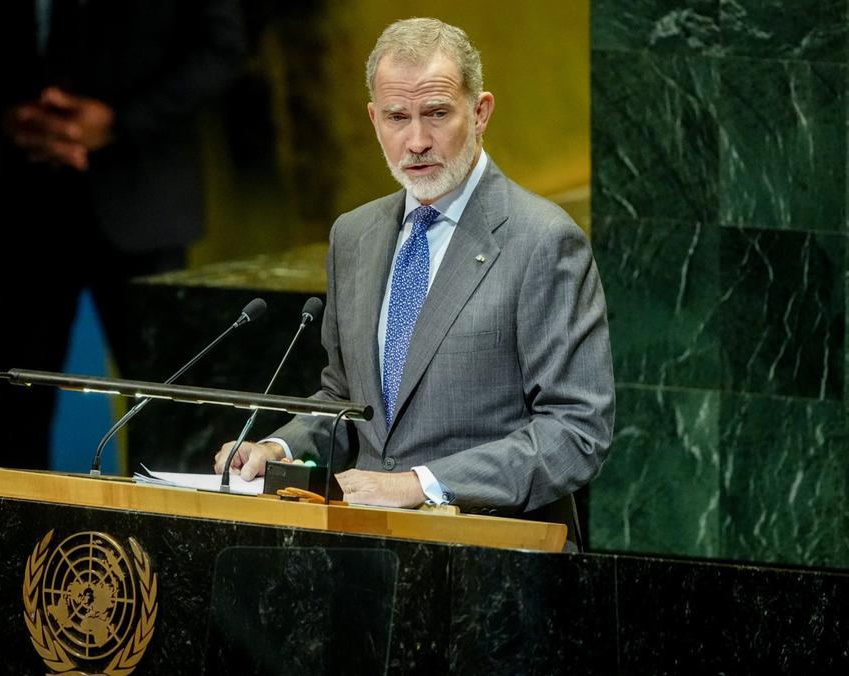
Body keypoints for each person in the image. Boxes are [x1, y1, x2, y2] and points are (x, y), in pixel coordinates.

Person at [213, 18, 614, 548]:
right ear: (374, 118)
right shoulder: (353, 235)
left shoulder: (543, 240)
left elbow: (576, 430)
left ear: (481, 112)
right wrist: (278, 450)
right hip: (366, 555)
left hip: (494, 558)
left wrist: (421, 484)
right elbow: (346, 400)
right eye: (398, 117)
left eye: (437, 114)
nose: (417, 141)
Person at [0, 0, 245, 470]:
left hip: (144, 205)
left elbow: (221, 47)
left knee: (163, 414)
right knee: (18, 418)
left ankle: (157, 522)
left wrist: (122, 121)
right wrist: (7, 116)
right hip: (27, 208)